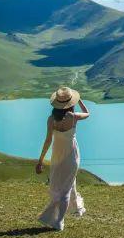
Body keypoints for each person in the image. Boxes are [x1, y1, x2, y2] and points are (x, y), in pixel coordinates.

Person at [36, 86, 90, 230]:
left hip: (57, 157)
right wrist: (80, 101)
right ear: (70, 104)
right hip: (71, 156)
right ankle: (59, 221)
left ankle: (68, 214)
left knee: (61, 186)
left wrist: (40, 160)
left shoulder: (51, 120)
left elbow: (48, 141)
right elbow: (88, 113)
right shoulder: (73, 117)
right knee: (66, 188)